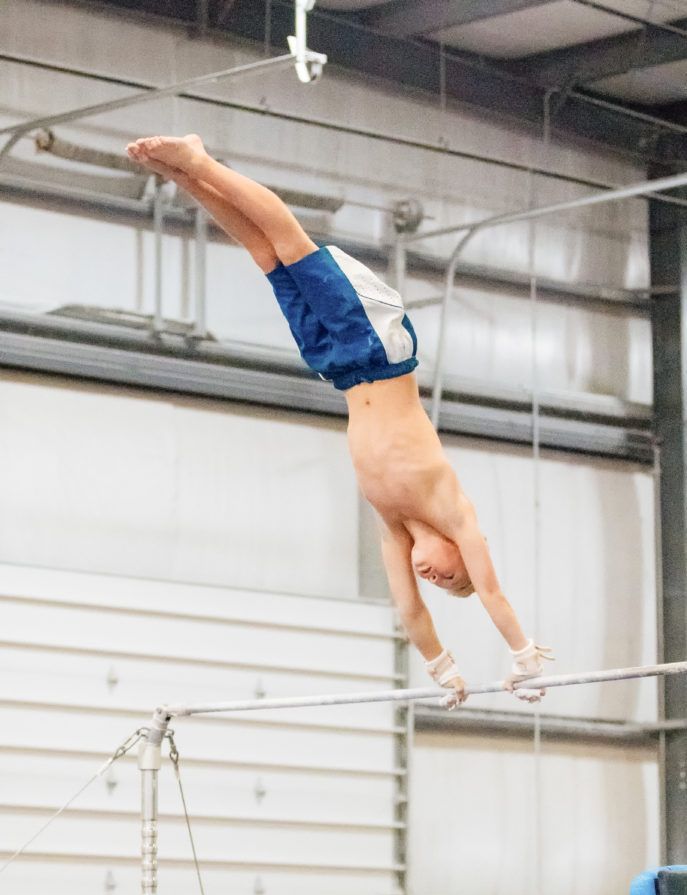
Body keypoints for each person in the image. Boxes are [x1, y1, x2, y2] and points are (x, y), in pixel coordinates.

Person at [126, 134, 553, 704]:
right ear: (461, 551)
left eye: (443, 585)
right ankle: (200, 159)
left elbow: (408, 609)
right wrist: (523, 654)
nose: (438, 579)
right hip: (380, 348)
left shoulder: (392, 526)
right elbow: (494, 591)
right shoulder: (456, 513)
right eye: (453, 577)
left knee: (268, 259)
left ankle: (182, 177)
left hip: (339, 370)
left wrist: (443, 669)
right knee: (292, 243)